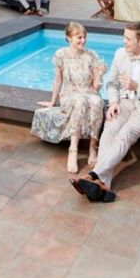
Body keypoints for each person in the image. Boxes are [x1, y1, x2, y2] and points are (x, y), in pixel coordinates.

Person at [70, 22, 140, 202]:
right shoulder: (120, 54)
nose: (123, 41)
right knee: (109, 131)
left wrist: (137, 87)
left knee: (126, 133)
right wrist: (113, 102)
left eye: (127, 38)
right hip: (123, 103)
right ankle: (103, 186)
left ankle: (93, 175)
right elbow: (111, 84)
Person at [31, 22, 107, 174]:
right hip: (70, 94)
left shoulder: (92, 55)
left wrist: (99, 75)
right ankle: (73, 149)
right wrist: (53, 101)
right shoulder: (61, 54)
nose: (83, 40)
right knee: (80, 101)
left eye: (84, 37)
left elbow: (96, 87)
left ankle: (93, 147)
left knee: (97, 102)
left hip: (89, 92)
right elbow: (58, 80)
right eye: (79, 37)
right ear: (69, 38)